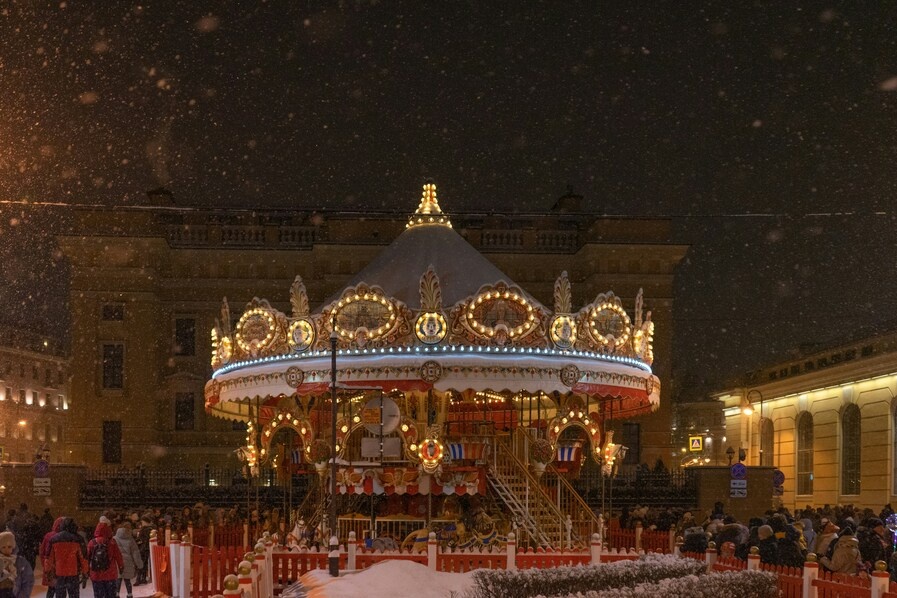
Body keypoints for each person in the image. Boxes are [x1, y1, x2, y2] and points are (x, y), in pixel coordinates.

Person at [48, 518, 88, 598]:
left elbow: (49, 558)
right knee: (74, 595)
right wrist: (85, 573)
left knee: (60, 595)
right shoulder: (78, 539)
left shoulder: (54, 539)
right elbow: (83, 558)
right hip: (73, 573)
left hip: (59, 573)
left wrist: (48, 572)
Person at [86, 522, 122, 598]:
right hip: (110, 574)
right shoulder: (112, 542)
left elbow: (87, 557)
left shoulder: (92, 543)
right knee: (111, 595)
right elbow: (118, 556)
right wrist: (121, 566)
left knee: (98, 595)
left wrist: (86, 571)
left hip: (96, 574)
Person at [114, 524, 142, 598]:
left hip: (117, 562)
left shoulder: (114, 539)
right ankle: (129, 594)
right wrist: (139, 564)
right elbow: (135, 552)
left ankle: (116, 594)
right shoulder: (130, 539)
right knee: (127, 580)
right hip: (128, 562)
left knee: (118, 579)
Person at [40, 517, 65, 598]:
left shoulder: (48, 535)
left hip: (50, 566)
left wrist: (45, 564)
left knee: (51, 589)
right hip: (61, 566)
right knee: (61, 589)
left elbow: (42, 552)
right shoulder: (64, 536)